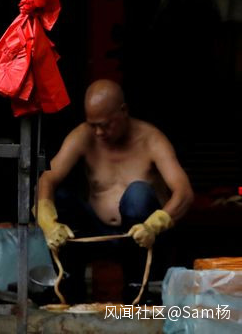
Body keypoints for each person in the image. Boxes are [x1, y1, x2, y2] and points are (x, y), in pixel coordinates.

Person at [34, 79, 194, 302]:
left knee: (138, 194)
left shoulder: (151, 139)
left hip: (141, 237)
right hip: (96, 235)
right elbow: (47, 179)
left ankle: (137, 286)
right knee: (60, 199)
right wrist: (47, 219)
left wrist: (154, 225)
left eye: (105, 124)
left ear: (123, 111)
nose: (99, 132)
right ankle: (69, 283)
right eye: (93, 125)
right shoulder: (84, 135)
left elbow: (184, 193)